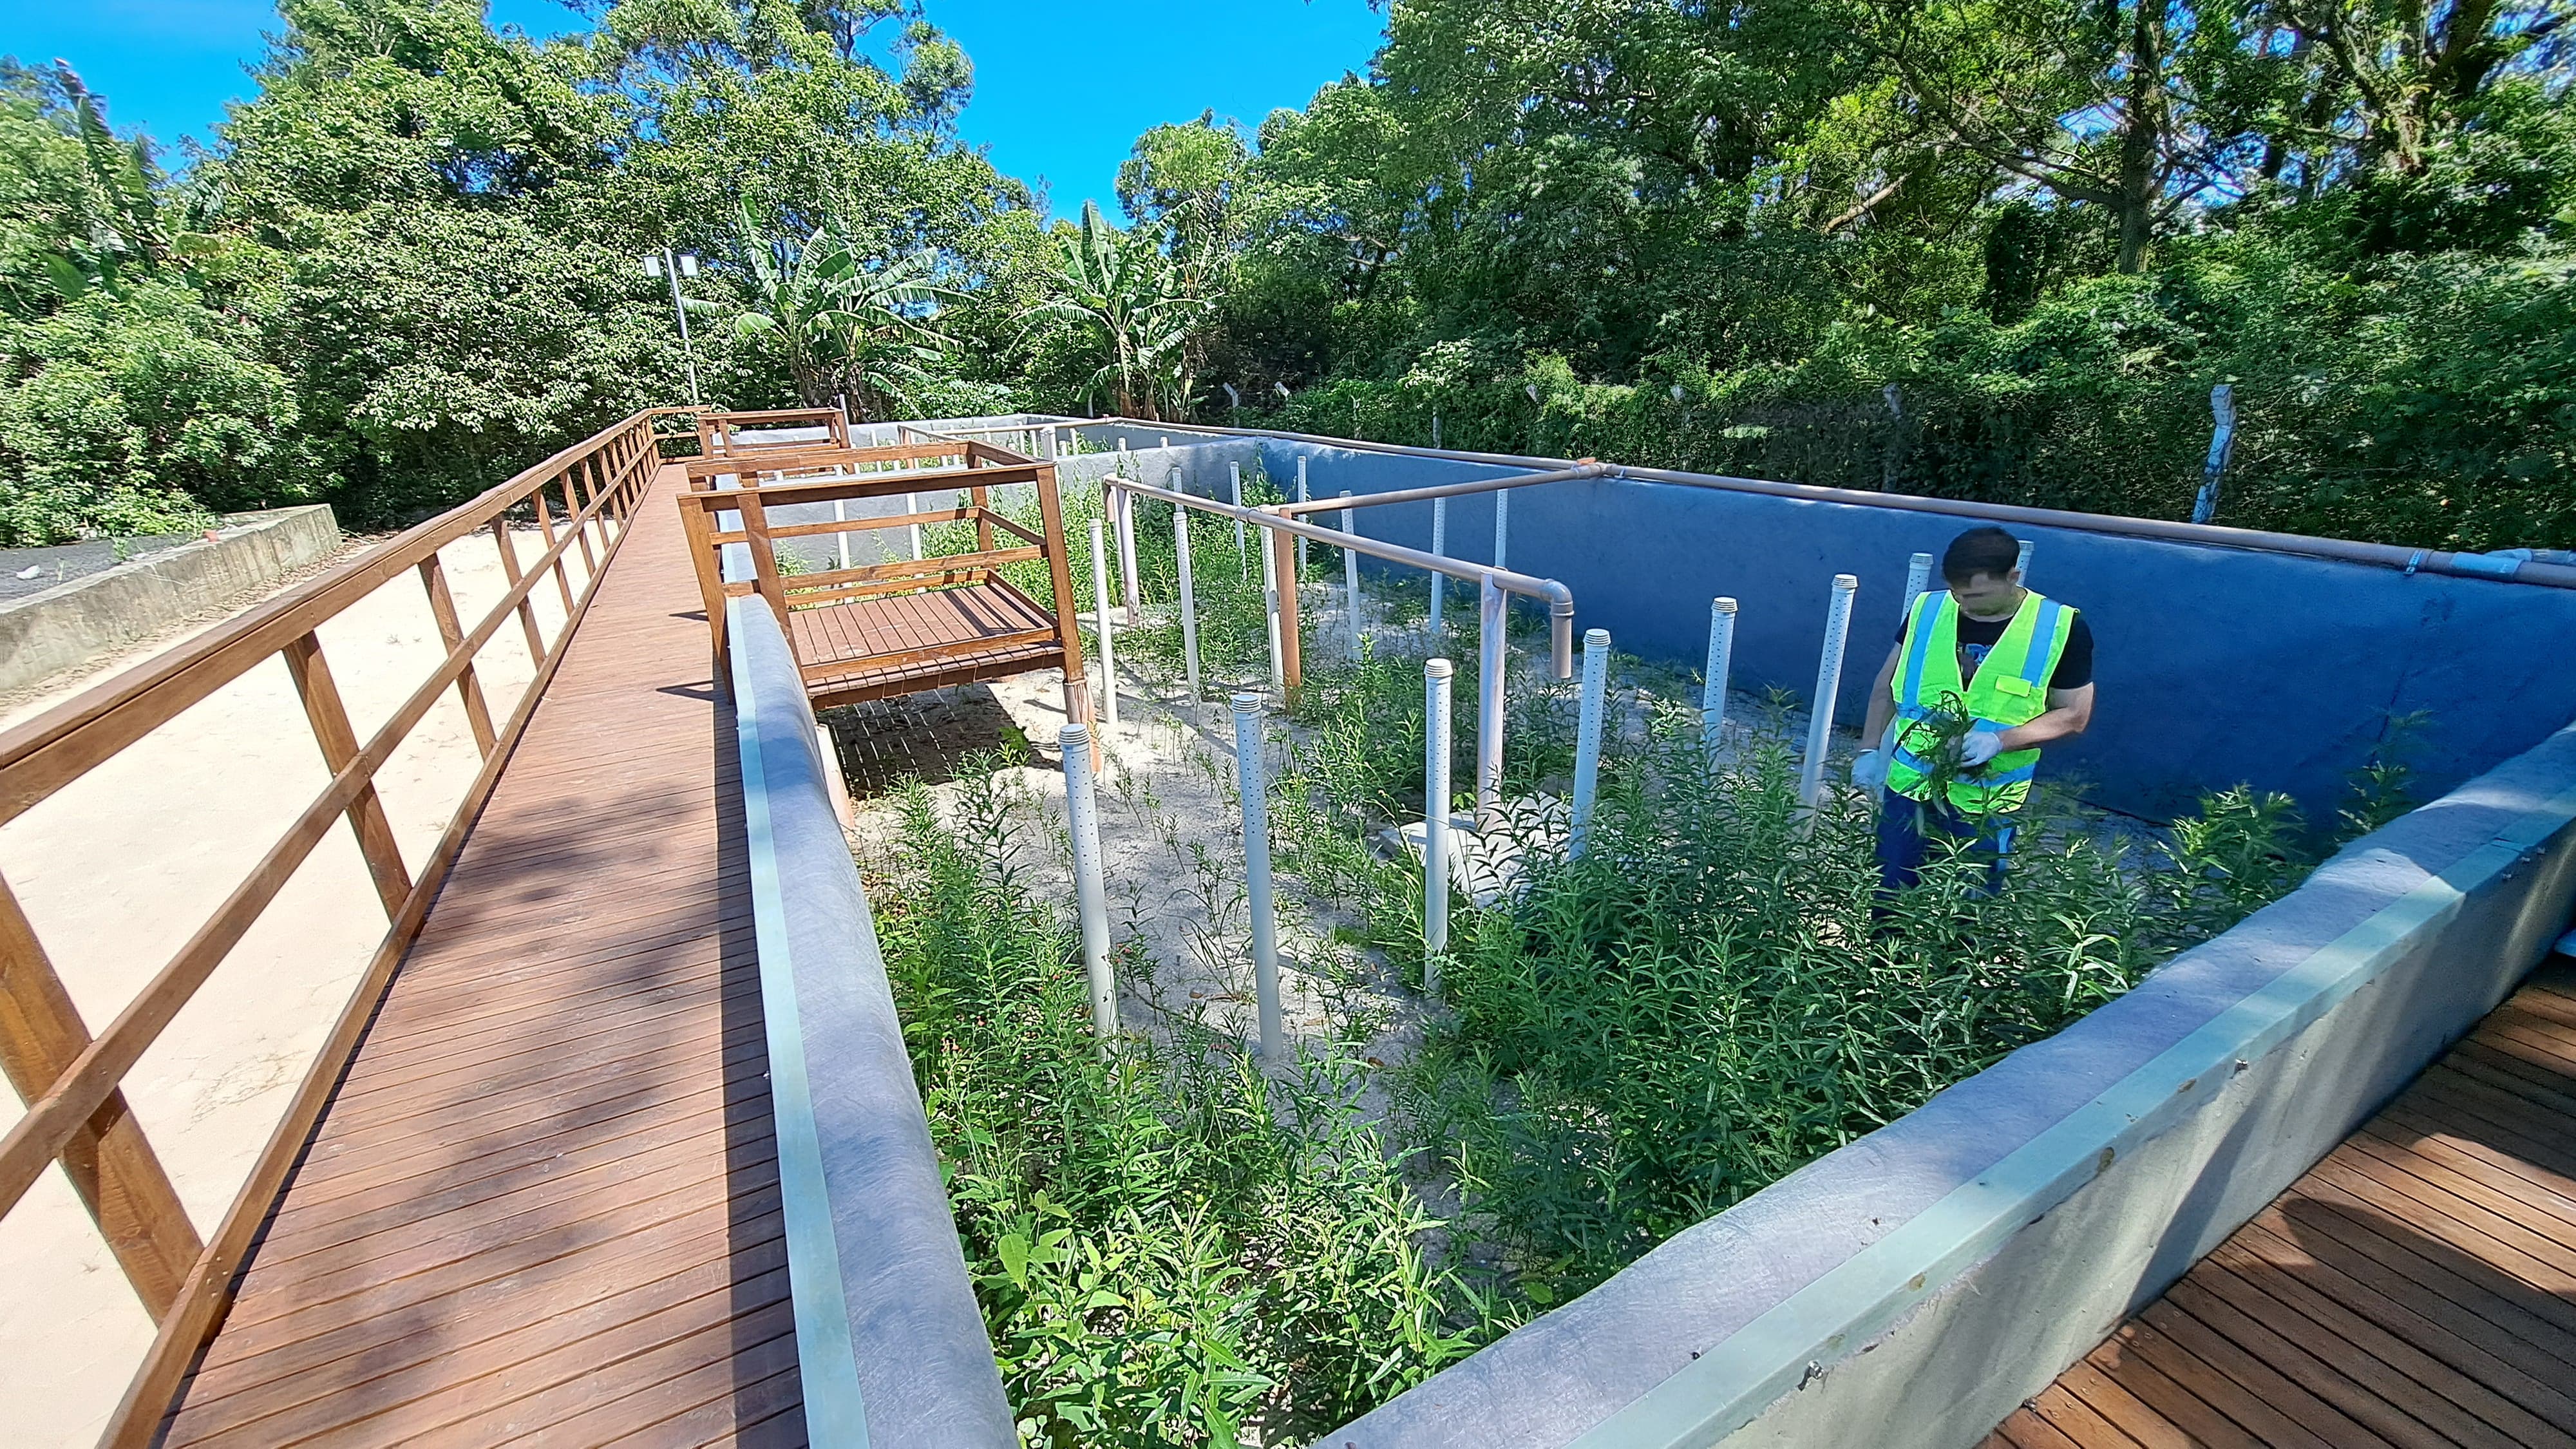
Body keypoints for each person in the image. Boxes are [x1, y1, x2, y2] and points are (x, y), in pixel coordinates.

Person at [1850, 526, 2094, 892]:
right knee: (1890, 896)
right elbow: (1887, 685)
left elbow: (2075, 715)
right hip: (1909, 788)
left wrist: (2000, 741)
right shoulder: (1929, 609)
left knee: (1969, 910)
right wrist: (1869, 750)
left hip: (1987, 800)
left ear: (2013, 577)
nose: (1964, 603)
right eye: (1957, 592)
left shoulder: (2058, 627)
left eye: (1976, 594)